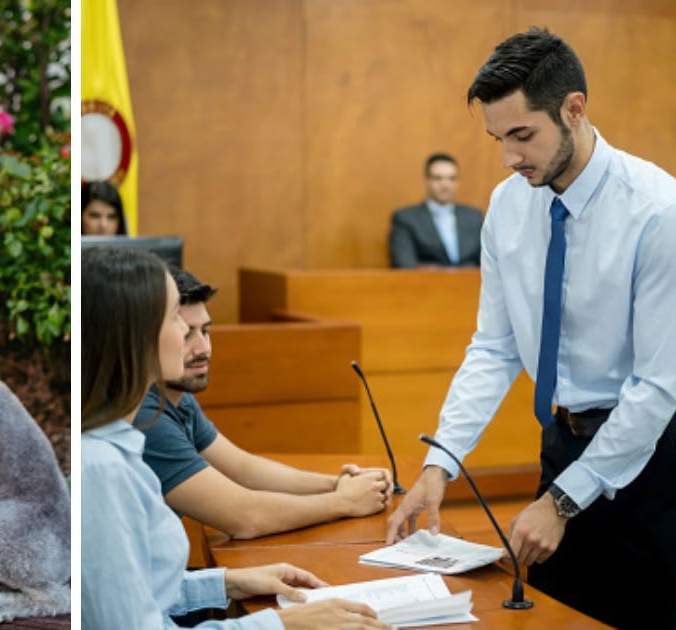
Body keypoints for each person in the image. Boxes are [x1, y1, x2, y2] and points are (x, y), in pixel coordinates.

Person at [385, 28, 676, 629]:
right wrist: (440, 464)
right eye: (497, 139)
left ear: (574, 109)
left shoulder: (658, 212)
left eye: (522, 136)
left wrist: (560, 504)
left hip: (654, 462)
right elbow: (495, 348)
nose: (508, 158)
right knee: (555, 616)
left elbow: (656, 387)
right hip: (563, 444)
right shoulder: (509, 206)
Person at [81, 247, 390, 629]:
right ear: (135, 334)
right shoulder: (101, 468)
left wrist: (226, 582)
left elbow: (133, 589)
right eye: (177, 317)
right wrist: (284, 625)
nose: (195, 339)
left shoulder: (119, 447)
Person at [136, 268, 391, 539]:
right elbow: (244, 517)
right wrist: (344, 502)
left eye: (206, 332)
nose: (204, 349)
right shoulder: (146, 417)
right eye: (187, 334)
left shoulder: (176, 398)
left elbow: (243, 468)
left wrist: (337, 484)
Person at [388, 153, 483, 268]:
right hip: (426, 284)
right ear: (426, 181)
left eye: (451, 178)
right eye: (438, 178)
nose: (445, 184)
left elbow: (488, 262)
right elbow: (404, 265)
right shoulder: (405, 219)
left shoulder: (474, 217)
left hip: (472, 284)